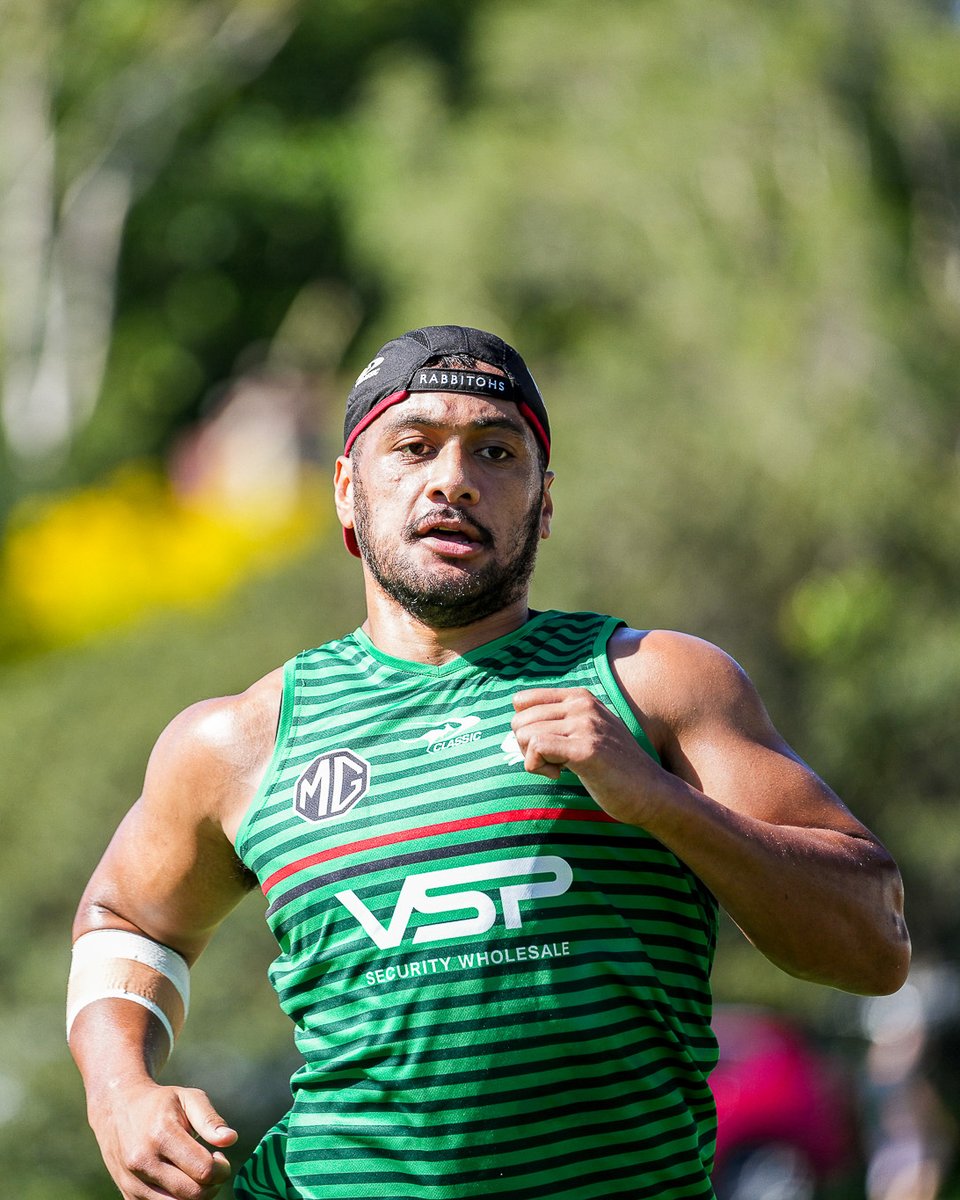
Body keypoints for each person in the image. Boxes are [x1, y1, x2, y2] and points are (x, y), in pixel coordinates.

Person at [68, 324, 911, 1200]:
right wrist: (120, 1092)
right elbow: (128, 922)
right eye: (414, 446)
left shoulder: (652, 682)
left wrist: (662, 803)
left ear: (543, 504)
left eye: (497, 451)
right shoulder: (241, 739)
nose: (453, 478)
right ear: (348, 492)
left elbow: (875, 946)